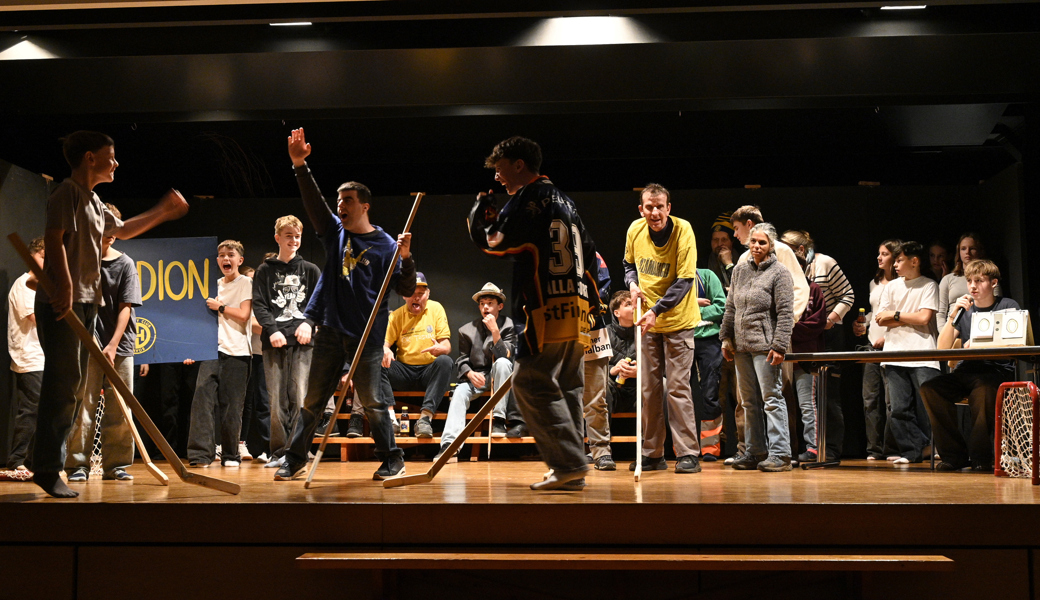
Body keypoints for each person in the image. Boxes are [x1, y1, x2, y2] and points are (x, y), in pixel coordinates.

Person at [33, 130, 188, 498]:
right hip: (63, 302)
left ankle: (49, 465)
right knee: (63, 386)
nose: (116, 163)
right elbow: (53, 238)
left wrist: (161, 212)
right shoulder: (66, 193)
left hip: (86, 302)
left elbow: (121, 229)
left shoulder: (93, 200)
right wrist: (66, 286)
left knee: (70, 386)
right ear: (90, 157)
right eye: (110, 156)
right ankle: (47, 467)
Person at [277, 127, 416, 482]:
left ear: (365, 205)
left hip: (367, 336)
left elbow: (405, 287)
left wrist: (407, 257)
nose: (341, 205)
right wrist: (299, 166)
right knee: (312, 401)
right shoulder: (335, 231)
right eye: (339, 200)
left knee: (372, 401)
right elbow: (314, 202)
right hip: (330, 329)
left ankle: (392, 458)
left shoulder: (386, 244)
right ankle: (295, 458)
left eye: (348, 200)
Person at [468, 135, 601, 491]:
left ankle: (569, 463)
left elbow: (493, 241)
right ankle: (572, 467)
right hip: (578, 307)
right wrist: (595, 306)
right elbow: (592, 258)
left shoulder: (530, 198)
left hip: (547, 308)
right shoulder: (568, 202)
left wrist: (479, 213)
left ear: (518, 165)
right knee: (569, 385)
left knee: (528, 381)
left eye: (500, 169)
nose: (498, 178)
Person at [623, 183, 702, 475]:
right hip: (647, 322)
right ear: (641, 209)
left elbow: (684, 280)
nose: (654, 212)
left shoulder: (684, 231)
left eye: (660, 207)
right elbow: (628, 264)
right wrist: (632, 285)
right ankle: (652, 453)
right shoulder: (635, 230)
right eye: (649, 207)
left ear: (669, 208)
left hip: (677, 320)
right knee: (648, 388)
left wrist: (657, 310)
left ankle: (688, 453)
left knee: (678, 387)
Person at [65, 203, 141, 482]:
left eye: (114, 229)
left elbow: (126, 306)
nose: (109, 234)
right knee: (83, 403)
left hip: (119, 346)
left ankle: (116, 464)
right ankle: (78, 464)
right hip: (86, 344)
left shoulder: (125, 264)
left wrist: (112, 344)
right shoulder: (82, 260)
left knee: (120, 406)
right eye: (104, 228)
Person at [922, 259, 1019, 471]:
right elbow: (942, 348)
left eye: (979, 281)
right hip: (965, 372)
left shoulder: (1008, 306)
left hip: (995, 371)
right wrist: (952, 316)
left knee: (983, 392)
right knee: (930, 388)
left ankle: (981, 458)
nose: (973, 286)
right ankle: (954, 456)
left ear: (993, 283)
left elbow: (1016, 342)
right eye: (969, 281)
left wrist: (979, 343)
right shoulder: (964, 310)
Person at [721, 222, 795, 472]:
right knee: (749, 402)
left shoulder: (780, 272)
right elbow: (731, 307)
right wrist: (726, 338)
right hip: (741, 347)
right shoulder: (740, 271)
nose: (756, 246)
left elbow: (786, 313)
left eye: (762, 242)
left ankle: (781, 454)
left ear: (771, 246)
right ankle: (754, 451)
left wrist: (779, 345)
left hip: (765, 347)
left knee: (771, 399)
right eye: (753, 241)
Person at [251, 216, 321, 469]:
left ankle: (297, 451)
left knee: (300, 397)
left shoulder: (311, 270)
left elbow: (319, 302)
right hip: (275, 342)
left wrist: (308, 324)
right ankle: (279, 451)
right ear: (278, 237)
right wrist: (271, 330)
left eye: (298, 235)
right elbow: (259, 304)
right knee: (276, 400)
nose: (294, 240)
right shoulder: (264, 271)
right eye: (289, 235)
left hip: (303, 342)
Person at [780, 229, 851, 461]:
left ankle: (824, 449)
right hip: (789, 346)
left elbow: (847, 296)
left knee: (823, 400)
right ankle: (788, 448)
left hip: (821, 341)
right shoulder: (783, 279)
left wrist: (827, 322)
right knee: (790, 402)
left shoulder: (823, 266)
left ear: (800, 251)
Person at [187, 240, 253, 468]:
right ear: (217, 260)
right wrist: (192, 349)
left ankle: (230, 455)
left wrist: (221, 307)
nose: (226, 259)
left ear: (239, 260)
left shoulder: (246, 283)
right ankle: (200, 455)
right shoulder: (212, 284)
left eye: (231, 255)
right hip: (211, 350)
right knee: (202, 400)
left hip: (238, 351)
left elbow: (244, 314)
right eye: (222, 255)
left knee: (232, 405)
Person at [437, 282, 519, 463]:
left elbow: (507, 355)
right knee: (458, 392)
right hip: (477, 378)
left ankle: (499, 420)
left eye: (490, 303)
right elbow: (462, 360)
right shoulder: (466, 330)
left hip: (500, 377)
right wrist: (469, 374)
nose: (485, 307)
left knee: (503, 363)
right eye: (482, 304)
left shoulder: (508, 325)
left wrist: (495, 331)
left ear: (500, 306)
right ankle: (449, 446)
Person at [874, 241, 939, 464]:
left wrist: (897, 315)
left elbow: (924, 318)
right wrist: (903, 316)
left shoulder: (929, 285)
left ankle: (938, 449)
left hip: (923, 353)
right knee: (899, 409)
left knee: (929, 407)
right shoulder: (891, 287)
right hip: (894, 353)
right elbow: (881, 319)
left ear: (914, 261)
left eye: (900, 259)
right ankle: (915, 451)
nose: (896, 264)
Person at [379, 272, 452, 438]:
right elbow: (384, 343)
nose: (416, 298)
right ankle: (390, 419)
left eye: (420, 294)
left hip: (428, 371)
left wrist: (440, 348)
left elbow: (447, 346)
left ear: (427, 294)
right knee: (377, 359)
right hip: (404, 372)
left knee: (445, 361)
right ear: (405, 296)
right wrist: (385, 349)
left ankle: (425, 419)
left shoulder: (436, 308)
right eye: (412, 294)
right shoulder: (396, 316)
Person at [852, 239, 902, 460]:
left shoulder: (903, 284)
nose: (879, 258)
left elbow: (902, 315)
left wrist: (886, 336)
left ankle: (892, 448)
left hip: (892, 345)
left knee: (892, 401)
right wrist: (862, 323)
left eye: (884, 254)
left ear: (895, 257)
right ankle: (874, 448)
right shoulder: (875, 282)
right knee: (870, 399)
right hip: (870, 346)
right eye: (879, 253)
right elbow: (875, 312)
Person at [6, 237, 45, 478]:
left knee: (42, 411)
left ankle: (32, 460)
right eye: (43, 257)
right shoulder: (24, 285)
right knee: (30, 409)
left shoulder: (43, 286)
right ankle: (17, 459)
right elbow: (34, 318)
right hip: (29, 357)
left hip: (43, 357)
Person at [582, 252, 615, 470]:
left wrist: (587, 313)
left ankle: (601, 451)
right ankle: (570, 452)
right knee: (563, 398)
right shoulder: (541, 250)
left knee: (596, 397)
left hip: (592, 331)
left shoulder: (590, 254)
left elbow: (604, 288)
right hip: (559, 329)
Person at [789, 280, 828, 463]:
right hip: (783, 354)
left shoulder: (814, 289)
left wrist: (788, 329)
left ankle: (813, 447)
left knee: (807, 404)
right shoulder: (779, 286)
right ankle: (784, 448)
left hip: (807, 355)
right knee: (781, 405)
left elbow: (818, 322)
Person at [691, 268, 727, 460]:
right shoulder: (669, 277)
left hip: (709, 341)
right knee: (682, 394)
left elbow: (721, 307)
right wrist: (693, 304)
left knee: (710, 392)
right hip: (680, 339)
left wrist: (690, 309)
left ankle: (710, 447)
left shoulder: (706, 276)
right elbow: (666, 306)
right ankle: (686, 447)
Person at [936, 233, 1002, 332]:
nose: (967, 252)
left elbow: (997, 308)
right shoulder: (948, 279)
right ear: (959, 252)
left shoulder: (989, 279)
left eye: (972, 248)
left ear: (979, 251)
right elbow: (940, 313)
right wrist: (945, 335)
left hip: (982, 329)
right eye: (963, 248)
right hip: (953, 329)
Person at [606, 290, 637, 416]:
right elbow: (592, 368)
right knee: (600, 385)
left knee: (662, 384)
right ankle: (601, 435)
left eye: (635, 303)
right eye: (629, 304)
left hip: (639, 390)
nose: (634, 306)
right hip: (614, 391)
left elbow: (662, 367)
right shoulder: (605, 333)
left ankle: (657, 436)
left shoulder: (648, 333)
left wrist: (641, 372)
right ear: (616, 312)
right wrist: (612, 370)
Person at [706, 212, 737, 292]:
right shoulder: (703, 262)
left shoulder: (742, 259)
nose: (719, 244)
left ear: (732, 241)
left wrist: (729, 264)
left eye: (724, 239)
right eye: (715, 240)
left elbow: (740, 286)